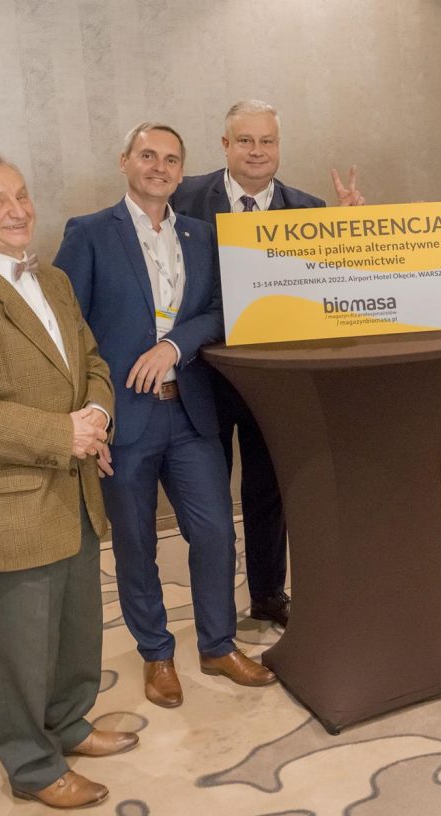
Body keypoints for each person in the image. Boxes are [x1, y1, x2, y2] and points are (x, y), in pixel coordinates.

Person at [0, 153, 137, 810]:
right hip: (11, 502)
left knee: (76, 629)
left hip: (75, 489)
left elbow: (93, 362)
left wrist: (97, 415)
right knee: (19, 643)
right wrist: (60, 434)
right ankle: (32, 764)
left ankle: (67, 724)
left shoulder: (56, 281)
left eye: (22, 195)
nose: (18, 211)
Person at [54, 122, 276, 711]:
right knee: (136, 542)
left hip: (190, 411)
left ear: (182, 170)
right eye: (148, 156)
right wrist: (88, 417)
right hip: (123, 420)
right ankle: (156, 653)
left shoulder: (203, 235)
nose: (160, 167)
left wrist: (174, 345)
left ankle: (218, 645)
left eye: (171, 159)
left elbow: (224, 310)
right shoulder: (89, 233)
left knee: (215, 532)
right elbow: (66, 331)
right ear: (125, 161)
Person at [170, 100, 364, 628]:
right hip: (203, 374)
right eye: (245, 141)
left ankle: (268, 594)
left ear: (279, 146)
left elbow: (334, 290)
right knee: (209, 504)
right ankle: (214, 610)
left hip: (275, 380)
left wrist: (349, 230)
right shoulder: (183, 199)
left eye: (267, 141)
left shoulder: (310, 210)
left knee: (267, 492)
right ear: (225, 145)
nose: (257, 151)